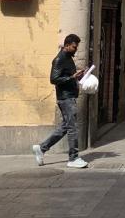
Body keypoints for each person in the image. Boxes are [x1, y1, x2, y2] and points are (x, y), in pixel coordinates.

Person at [32, 33, 88, 169]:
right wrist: (72, 77)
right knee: (72, 128)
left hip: (70, 96)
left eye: (77, 47)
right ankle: (73, 158)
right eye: (74, 47)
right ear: (67, 45)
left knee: (66, 127)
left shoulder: (68, 58)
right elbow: (54, 79)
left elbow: (68, 75)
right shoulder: (59, 59)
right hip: (65, 98)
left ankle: (42, 148)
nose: (76, 49)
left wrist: (78, 75)